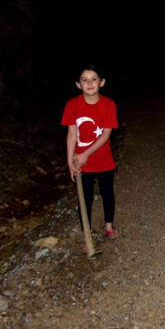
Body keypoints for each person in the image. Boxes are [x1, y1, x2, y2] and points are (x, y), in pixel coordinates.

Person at [61, 64, 122, 249]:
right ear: (78, 84)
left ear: (101, 82)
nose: (89, 83)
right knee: (84, 198)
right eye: (84, 79)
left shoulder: (109, 104)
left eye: (94, 79)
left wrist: (85, 153)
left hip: (103, 161)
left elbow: (105, 134)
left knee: (107, 194)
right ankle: (87, 236)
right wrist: (70, 161)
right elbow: (72, 134)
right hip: (81, 163)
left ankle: (109, 227)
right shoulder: (72, 105)